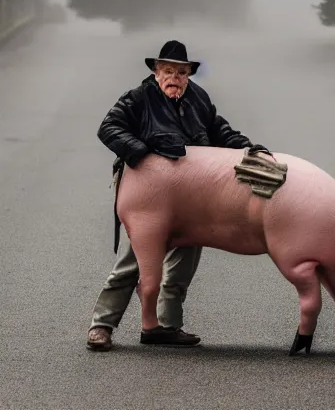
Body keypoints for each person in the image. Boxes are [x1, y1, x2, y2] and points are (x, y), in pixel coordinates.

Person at [87, 39, 270, 351]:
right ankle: (101, 326)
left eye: (182, 73)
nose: (175, 78)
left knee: (183, 263)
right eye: (168, 71)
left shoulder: (198, 98)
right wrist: (144, 154)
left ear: (189, 75)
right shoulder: (139, 98)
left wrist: (250, 149)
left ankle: (166, 326)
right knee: (134, 261)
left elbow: (220, 131)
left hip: (192, 195)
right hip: (152, 197)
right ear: (157, 72)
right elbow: (109, 128)